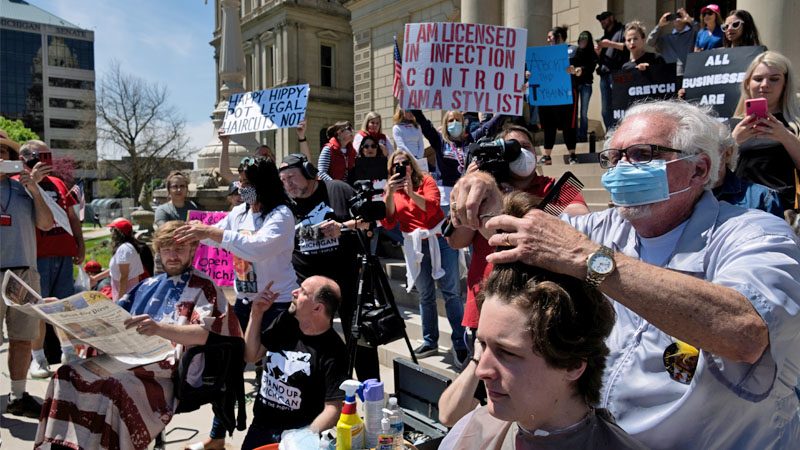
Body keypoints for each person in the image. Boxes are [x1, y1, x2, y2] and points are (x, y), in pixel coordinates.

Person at [450, 99, 800, 448]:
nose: (621, 169)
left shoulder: (755, 234)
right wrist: (483, 182)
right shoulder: (602, 228)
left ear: (699, 169)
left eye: (642, 155)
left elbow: (746, 333)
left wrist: (588, 259)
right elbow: (512, 228)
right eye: (614, 158)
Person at [440, 204, 646, 449]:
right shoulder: (470, 432)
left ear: (572, 364)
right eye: (483, 345)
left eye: (507, 353)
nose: (481, 370)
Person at [35, 220, 243, 450]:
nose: (172, 255)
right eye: (166, 249)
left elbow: (207, 335)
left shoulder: (204, 287)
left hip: (165, 371)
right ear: (158, 251)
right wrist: (64, 313)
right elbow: (110, 322)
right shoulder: (146, 286)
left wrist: (159, 329)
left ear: (193, 249)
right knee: (65, 375)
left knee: (114, 388)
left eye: (180, 248)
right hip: (126, 358)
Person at [441, 125, 589, 425]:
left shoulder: (554, 187)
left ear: (535, 154)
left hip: (531, 314)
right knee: (481, 396)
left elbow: (580, 222)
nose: (517, 151)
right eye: (508, 146)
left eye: (524, 146)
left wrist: (512, 202)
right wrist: (471, 187)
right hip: (484, 310)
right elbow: (455, 240)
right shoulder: (484, 188)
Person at [174, 155, 298, 450]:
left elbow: (256, 248)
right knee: (227, 371)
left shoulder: (281, 215)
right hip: (243, 302)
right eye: (241, 182)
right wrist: (193, 237)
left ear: (262, 184)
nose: (241, 188)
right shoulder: (240, 212)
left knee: (275, 372)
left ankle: (275, 434)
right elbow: (220, 238)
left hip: (276, 304)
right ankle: (217, 435)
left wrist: (210, 232)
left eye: (246, 183)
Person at [279, 153, 380, 380]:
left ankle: (370, 393)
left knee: (361, 342)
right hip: (308, 289)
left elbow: (369, 221)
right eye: (284, 180)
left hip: (348, 282)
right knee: (311, 341)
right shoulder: (285, 203)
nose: (289, 184)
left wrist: (342, 227)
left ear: (309, 172)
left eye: (292, 177)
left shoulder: (337, 190)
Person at [381, 150, 468, 367]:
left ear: (412, 165)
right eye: (396, 165)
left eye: (405, 163)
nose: (402, 167)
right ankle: (430, 341)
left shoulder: (426, 181)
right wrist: (390, 195)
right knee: (425, 295)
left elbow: (432, 207)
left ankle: (460, 341)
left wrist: (411, 193)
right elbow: (389, 222)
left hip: (439, 240)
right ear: (391, 170)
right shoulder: (391, 190)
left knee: (451, 293)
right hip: (415, 245)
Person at [241, 275, 348, 448]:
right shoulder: (286, 322)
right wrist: (256, 312)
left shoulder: (334, 350)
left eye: (303, 292)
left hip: (298, 436)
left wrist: (305, 435)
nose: (294, 292)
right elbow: (251, 355)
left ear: (317, 308)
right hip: (261, 427)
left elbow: (333, 407)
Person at [16, 140, 86, 375]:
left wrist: (80, 243)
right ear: (25, 159)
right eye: (40, 156)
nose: (47, 161)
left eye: (48, 156)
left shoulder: (57, 183)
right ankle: (38, 358)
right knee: (38, 310)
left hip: (63, 252)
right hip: (36, 255)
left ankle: (69, 351)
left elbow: (71, 216)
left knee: (63, 307)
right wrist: (32, 183)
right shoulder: (17, 183)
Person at [0, 130, 54, 418]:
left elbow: (46, 224)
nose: (0, 157)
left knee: (22, 338)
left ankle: (18, 396)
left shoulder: (24, 187)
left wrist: (34, 188)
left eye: (4, 152)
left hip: (23, 272)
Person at [731, 51, 800, 209]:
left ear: (785, 84)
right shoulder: (733, 124)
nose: (764, 85)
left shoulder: (795, 123)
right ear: (748, 83)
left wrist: (785, 137)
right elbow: (712, 169)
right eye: (757, 79)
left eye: (774, 79)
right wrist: (733, 140)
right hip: (738, 206)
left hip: (780, 208)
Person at [410, 109, 504, 214]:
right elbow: (423, 122)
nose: (454, 123)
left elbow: (489, 126)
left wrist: (506, 109)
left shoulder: (471, 139)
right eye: (451, 120)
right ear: (445, 125)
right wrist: (412, 105)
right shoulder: (439, 140)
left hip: (466, 193)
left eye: (457, 120)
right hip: (445, 197)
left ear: (463, 124)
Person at [713, 122, 783, 216]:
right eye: (691, 153)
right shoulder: (688, 196)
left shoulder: (762, 198)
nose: (698, 160)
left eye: (708, 152)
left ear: (727, 153)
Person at [217, 120, 312, 185]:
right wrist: (225, 144)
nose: (263, 158)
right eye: (259, 156)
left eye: (266, 155)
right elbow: (226, 173)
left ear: (273, 159)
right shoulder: (249, 180)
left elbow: (306, 165)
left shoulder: (282, 178)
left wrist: (301, 137)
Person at [538, 26, 579, 165]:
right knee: (549, 124)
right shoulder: (543, 54)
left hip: (566, 93)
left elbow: (580, 69)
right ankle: (547, 156)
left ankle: (572, 154)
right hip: (549, 95)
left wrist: (574, 70)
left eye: (550, 37)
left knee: (569, 124)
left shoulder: (572, 50)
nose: (548, 39)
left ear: (559, 36)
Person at [595, 11, 629, 131]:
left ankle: (620, 134)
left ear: (612, 17)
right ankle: (610, 135)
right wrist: (598, 53)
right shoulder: (604, 37)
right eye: (600, 20)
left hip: (618, 75)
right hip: (604, 76)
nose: (602, 21)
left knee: (619, 108)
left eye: (604, 18)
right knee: (605, 111)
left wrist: (610, 44)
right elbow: (600, 61)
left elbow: (628, 47)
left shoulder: (622, 30)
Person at [104, 218, 148, 301]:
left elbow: (124, 276)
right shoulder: (127, 246)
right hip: (125, 290)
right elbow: (115, 270)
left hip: (125, 292)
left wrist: (120, 299)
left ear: (118, 233)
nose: (111, 233)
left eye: (112, 230)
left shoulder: (124, 249)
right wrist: (95, 278)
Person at [647, 8, 698, 79]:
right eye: (675, 17)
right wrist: (659, 25)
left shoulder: (693, 34)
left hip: (691, 75)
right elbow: (650, 42)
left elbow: (704, 34)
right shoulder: (666, 39)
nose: (677, 19)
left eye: (680, 16)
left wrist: (690, 20)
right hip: (670, 77)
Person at [573, 31, 598, 142]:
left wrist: (582, 69)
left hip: (586, 85)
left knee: (583, 112)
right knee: (575, 111)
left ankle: (582, 136)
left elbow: (591, 68)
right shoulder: (575, 52)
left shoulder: (592, 53)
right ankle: (575, 134)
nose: (583, 41)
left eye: (585, 39)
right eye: (581, 39)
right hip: (576, 85)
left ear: (588, 41)